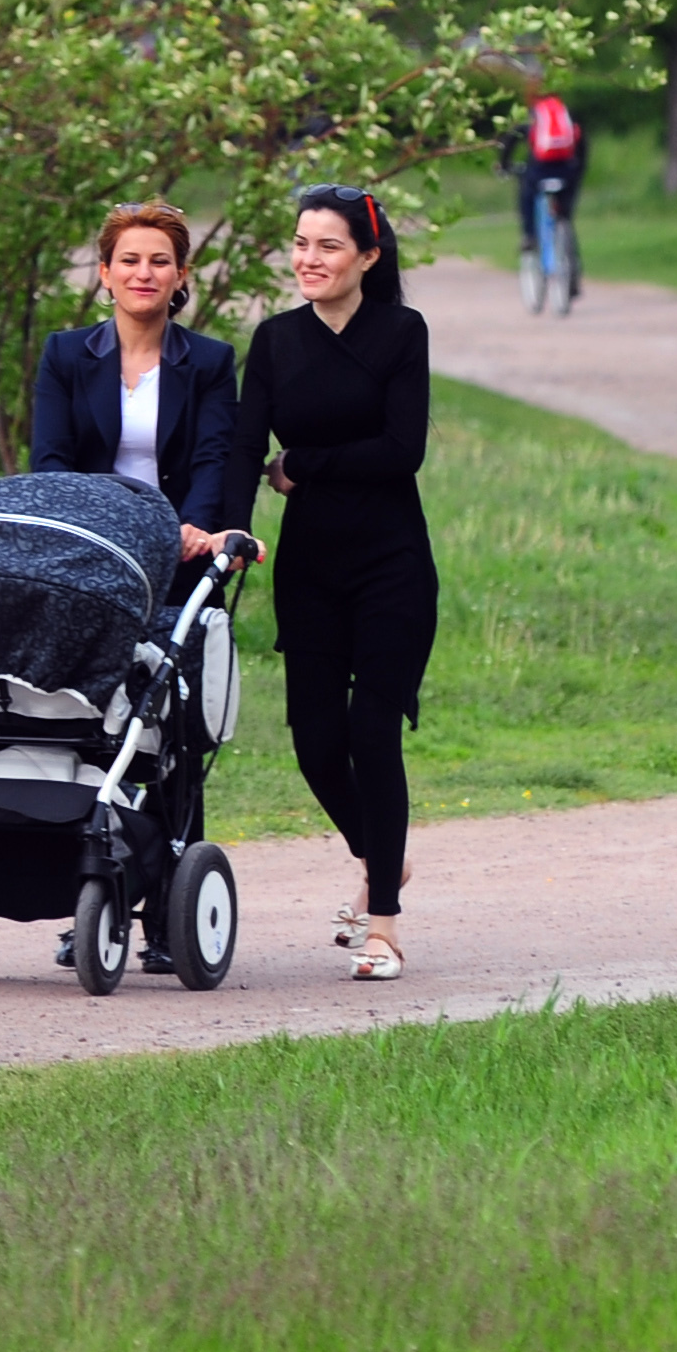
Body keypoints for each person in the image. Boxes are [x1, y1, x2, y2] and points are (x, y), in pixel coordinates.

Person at [226, 182, 433, 981]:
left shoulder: (401, 332)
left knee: (374, 734)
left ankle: (382, 924)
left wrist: (302, 464)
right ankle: (385, 857)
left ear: (368, 258)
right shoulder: (275, 341)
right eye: (302, 244)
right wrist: (223, 523)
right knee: (317, 745)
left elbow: (400, 450)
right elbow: (247, 447)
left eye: (329, 246)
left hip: (392, 564)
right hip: (309, 564)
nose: (308, 260)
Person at [27, 201, 241, 558]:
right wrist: (84, 528)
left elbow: (213, 459)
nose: (144, 274)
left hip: (179, 545)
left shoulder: (211, 361)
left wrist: (194, 527)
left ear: (180, 275)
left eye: (159, 262)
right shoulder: (64, 354)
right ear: (106, 274)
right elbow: (50, 460)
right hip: (85, 544)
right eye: (129, 261)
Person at [507, 89, 587, 315]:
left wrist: (505, 165)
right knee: (565, 218)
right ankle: (572, 269)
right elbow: (582, 145)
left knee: (526, 195)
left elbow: (513, 138)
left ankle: (529, 236)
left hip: (539, 172)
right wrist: (578, 170)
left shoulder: (534, 116)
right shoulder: (567, 115)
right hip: (568, 172)